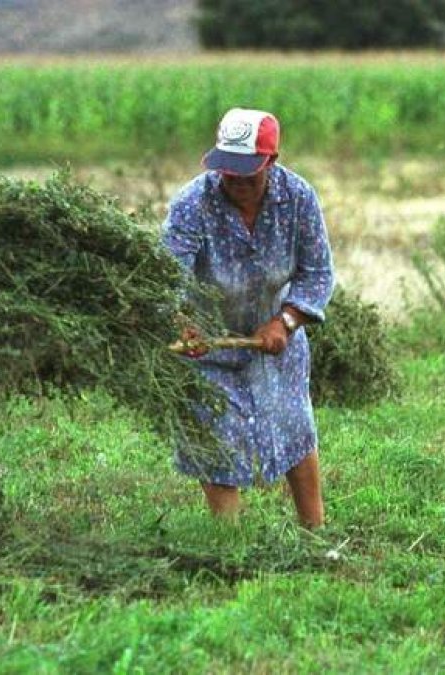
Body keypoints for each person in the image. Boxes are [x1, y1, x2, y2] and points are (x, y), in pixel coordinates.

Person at [161, 107, 335, 529]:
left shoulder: (298, 199)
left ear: (271, 161)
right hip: (206, 340)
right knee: (214, 433)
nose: (236, 182)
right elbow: (166, 276)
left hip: (275, 340)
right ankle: (229, 539)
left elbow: (317, 273)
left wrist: (286, 321)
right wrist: (182, 322)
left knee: (293, 425)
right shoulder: (192, 204)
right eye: (228, 172)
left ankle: (314, 531)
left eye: (248, 173)